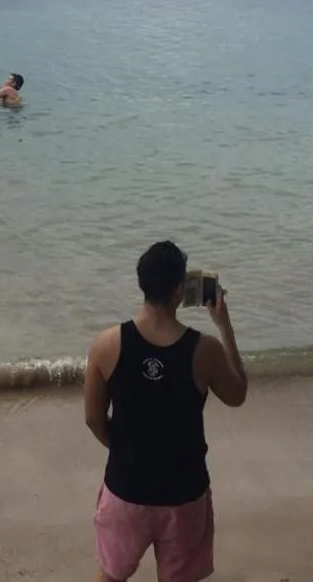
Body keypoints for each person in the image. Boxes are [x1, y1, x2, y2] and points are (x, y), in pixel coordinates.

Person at [83, 241, 248, 582]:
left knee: (110, 577)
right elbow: (237, 394)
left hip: (126, 489)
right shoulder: (205, 350)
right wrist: (224, 325)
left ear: (142, 284)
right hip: (183, 493)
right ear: (179, 291)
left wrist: (125, 450)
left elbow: (93, 419)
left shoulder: (106, 344)